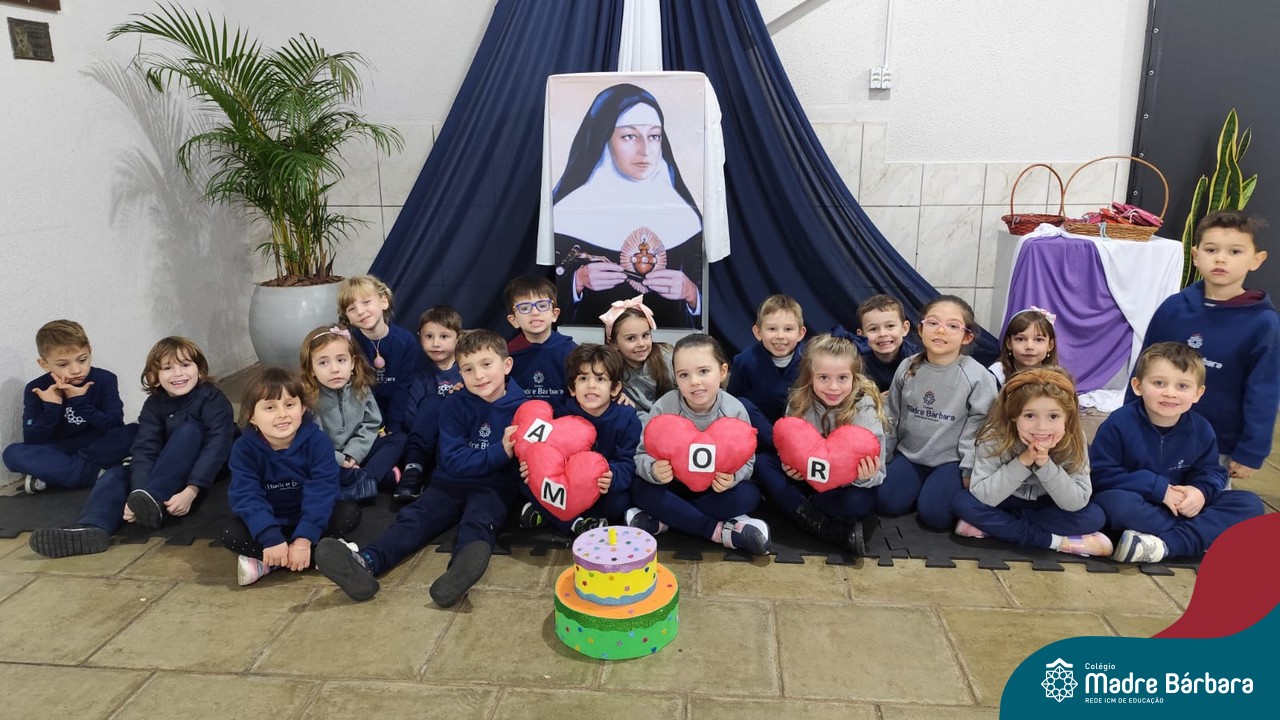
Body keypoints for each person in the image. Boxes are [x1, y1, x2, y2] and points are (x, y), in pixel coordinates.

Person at [314, 330, 524, 607]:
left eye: (486, 364)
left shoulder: (526, 408)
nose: (479, 375)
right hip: (450, 481)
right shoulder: (453, 404)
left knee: (480, 521)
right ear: (459, 372)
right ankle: (366, 561)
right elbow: (453, 460)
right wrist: (500, 451)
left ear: (506, 365)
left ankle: (458, 575)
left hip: (494, 486)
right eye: (468, 369)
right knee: (415, 518)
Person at [27, 337, 235, 557]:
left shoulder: (212, 398)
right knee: (117, 474)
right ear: (154, 377)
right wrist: (138, 492)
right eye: (167, 368)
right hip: (166, 468)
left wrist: (191, 490)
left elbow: (217, 446)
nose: (178, 374)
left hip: (206, 468)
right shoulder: (153, 405)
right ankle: (92, 527)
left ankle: (153, 498)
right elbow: (146, 449)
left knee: (189, 430)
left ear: (199, 370)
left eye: (185, 365)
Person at [1136, 211, 1279, 481]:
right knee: (1147, 492)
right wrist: (1129, 421)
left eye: (1235, 251)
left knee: (1208, 500)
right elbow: (1143, 369)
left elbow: (1264, 392)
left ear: (1257, 260)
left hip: (1219, 445)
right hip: (1159, 433)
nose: (1221, 258)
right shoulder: (1173, 308)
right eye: (1211, 249)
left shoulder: (1263, 323)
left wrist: (1251, 451)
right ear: (1195, 255)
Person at [1092, 343, 1264, 563]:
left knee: (1249, 504)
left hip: (1183, 507)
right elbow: (1101, 474)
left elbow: (1211, 471)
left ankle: (1162, 545)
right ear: (1138, 386)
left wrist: (1200, 492)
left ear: (1198, 393)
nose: (1170, 393)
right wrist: (1158, 489)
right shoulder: (1119, 423)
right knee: (1113, 503)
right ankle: (1193, 538)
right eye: (1159, 383)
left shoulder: (1201, 429)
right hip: (1140, 503)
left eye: (1182, 386)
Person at [552, 83, 704, 328]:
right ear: (604, 138)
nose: (645, 150)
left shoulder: (686, 217)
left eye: (654, 136)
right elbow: (544, 294)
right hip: (593, 345)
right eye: (629, 136)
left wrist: (691, 293)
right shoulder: (566, 214)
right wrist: (577, 282)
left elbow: (703, 299)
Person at [628, 334, 770, 556]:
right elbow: (641, 455)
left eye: (703, 371)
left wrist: (733, 477)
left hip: (715, 491)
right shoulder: (664, 407)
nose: (694, 381)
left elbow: (748, 461)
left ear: (722, 372)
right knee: (640, 488)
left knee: (749, 494)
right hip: (675, 487)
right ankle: (719, 531)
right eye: (684, 375)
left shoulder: (734, 410)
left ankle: (666, 519)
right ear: (675, 377)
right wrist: (654, 470)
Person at [221, 368, 362, 586]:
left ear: (303, 407)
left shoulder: (318, 442)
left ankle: (269, 562)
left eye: (289, 405)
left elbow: (322, 491)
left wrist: (304, 540)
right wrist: (271, 537)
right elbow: (246, 495)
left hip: (309, 517)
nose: (282, 414)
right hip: (270, 519)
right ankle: (320, 556)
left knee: (349, 514)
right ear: (251, 416)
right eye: (270, 407)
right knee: (230, 533)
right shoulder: (243, 449)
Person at [952, 367, 1111, 557]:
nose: (1041, 427)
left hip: (1048, 505)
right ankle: (1055, 541)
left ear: (1067, 417)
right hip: (1004, 500)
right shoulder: (994, 436)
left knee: (1094, 517)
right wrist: (1023, 461)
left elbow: (1076, 501)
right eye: (1029, 416)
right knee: (963, 502)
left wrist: (1045, 464)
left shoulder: (1075, 438)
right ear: (1013, 415)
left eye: (1053, 416)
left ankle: (999, 526)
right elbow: (983, 494)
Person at [754, 334, 885, 554]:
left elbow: (879, 474)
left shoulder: (864, 409)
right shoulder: (799, 401)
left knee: (861, 502)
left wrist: (865, 477)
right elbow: (789, 448)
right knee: (763, 463)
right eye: (823, 377)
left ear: (854, 378)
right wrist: (789, 467)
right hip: (806, 482)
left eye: (842, 378)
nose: (833, 387)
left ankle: (797, 509)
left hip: (841, 489)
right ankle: (823, 527)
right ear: (810, 377)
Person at [878, 295, 998, 529]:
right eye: (933, 323)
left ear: (967, 337)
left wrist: (969, 469)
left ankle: (933, 492)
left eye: (952, 326)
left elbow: (981, 429)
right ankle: (919, 488)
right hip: (911, 456)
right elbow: (891, 416)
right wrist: (884, 458)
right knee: (885, 502)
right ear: (920, 329)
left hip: (950, 462)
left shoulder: (978, 377)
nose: (941, 330)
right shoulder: (907, 367)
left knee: (935, 516)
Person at [518, 344, 641, 534]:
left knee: (620, 502)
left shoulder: (627, 418)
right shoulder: (560, 414)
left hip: (600, 489)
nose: (591, 385)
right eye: (583, 378)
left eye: (600, 379)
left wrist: (613, 476)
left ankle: (552, 515)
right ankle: (575, 524)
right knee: (523, 481)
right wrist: (531, 466)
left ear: (615, 388)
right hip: (563, 484)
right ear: (572, 388)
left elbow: (628, 462)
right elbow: (543, 450)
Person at [3, 320, 137, 492]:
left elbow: (115, 425)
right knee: (12, 453)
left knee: (135, 431)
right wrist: (51, 407)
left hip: (96, 443)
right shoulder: (36, 388)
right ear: (44, 364)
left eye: (82, 360)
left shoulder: (105, 379)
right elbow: (32, 439)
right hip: (59, 448)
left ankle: (58, 474)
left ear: (90, 351)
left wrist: (80, 403)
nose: (76, 370)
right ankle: (95, 472)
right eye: (63, 364)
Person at [299, 325, 393, 502]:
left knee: (397, 440)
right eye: (323, 363)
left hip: (357, 452)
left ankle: (361, 479)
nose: (334, 369)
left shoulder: (360, 387)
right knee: (304, 464)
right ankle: (370, 480)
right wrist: (340, 459)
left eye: (341, 360)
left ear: (352, 363)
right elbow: (311, 438)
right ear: (311, 369)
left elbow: (372, 423)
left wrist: (353, 454)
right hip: (327, 457)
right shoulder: (308, 398)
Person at [338, 275, 423, 439]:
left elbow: (402, 388)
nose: (360, 311)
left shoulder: (406, 341)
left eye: (366, 302)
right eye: (352, 309)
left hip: (399, 408)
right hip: (365, 410)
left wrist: (393, 427)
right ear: (347, 317)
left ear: (383, 301)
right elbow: (358, 390)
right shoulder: (349, 344)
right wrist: (379, 426)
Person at [397, 306, 465, 503]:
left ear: (458, 338)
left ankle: (437, 477)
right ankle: (413, 471)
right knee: (432, 403)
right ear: (420, 338)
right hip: (423, 441)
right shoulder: (420, 375)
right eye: (429, 336)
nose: (436, 343)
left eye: (444, 336)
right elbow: (410, 416)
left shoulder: (467, 370)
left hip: (455, 439)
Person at [727, 294, 808, 423]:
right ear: (758, 332)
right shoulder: (744, 362)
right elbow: (732, 402)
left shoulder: (810, 360)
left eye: (788, 329)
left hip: (798, 427)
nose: (780, 336)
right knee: (743, 404)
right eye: (772, 329)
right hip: (759, 430)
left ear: (800, 333)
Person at [505, 276, 577, 406]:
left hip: (565, 416)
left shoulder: (572, 351)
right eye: (525, 308)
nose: (535, 312)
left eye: (542, 306)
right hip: (520, 416)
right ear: (513, 320)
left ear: (554, 314)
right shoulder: (507, 354)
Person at [600, 296, 674, 416]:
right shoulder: (608, 370)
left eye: (645, 335)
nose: (641, 344)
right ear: (613, 344)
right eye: (631, 338)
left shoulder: (667, 358)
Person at [854, 294, 920, 393]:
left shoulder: (916, 359)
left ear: (904, 328)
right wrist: (875, 399)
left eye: (890, 326)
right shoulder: (857, 362)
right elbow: (851, 396)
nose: (882, 334)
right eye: (873, 329)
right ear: (861, 335)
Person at [989, 307, 1058, 386]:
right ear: (1009, 343)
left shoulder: (1056, 378)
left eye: (1039, 340)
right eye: (1020, 339)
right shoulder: (996, 374)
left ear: (1050, 345)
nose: (1029, 346)